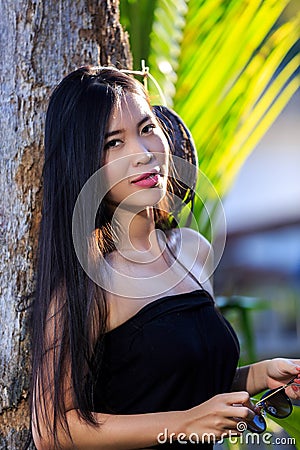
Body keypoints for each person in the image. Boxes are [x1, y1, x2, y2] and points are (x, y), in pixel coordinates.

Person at [29, 65, 300, 450]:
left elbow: (169, 382)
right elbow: (52, 430)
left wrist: (256, 377)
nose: (141, 154)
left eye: (146, 129)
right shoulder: (88, 283)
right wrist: (186, 423)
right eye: (113, 143)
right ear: (83, 163)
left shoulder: (192, 250)